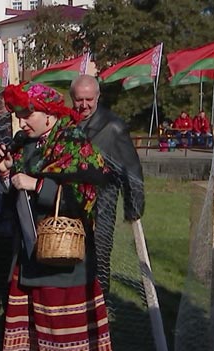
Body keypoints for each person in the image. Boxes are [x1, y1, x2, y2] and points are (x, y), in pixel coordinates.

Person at [0, 81, 114, 351]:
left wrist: (38, 185)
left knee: (61, 322)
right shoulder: (25, 143)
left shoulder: (73, 142)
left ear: (51, 113)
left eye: (28, 114)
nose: (22, 121)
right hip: (31, 247)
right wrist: (6, 172)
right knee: (34, 319)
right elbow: (14, 186)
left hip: (64, 252)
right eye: (18, 115)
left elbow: (87, 191)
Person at [70, 75, 145, 293]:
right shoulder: (66, 122)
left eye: (89, 99)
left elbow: (132, 171)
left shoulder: (113, 126)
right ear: (71, 98)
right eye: (79, 99)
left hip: (102, 205)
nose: (84, 105)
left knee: (98, 259)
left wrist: (134, 209)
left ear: (98, 97)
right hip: (69, 205)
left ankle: (100, 311)